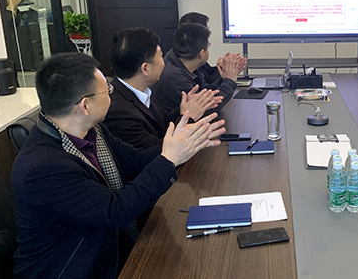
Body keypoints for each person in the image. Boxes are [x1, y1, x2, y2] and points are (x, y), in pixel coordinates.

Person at [12, 52, 225, 279]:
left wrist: (179, 144)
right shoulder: (43, 168)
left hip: (107, 249)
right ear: (85, 106)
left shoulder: (92, 131)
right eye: (107, 90)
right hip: (74, 270)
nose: (111, 95)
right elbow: (115, 210)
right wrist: (168, 159)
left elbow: (135, 161)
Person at [104, 27, 222, 149]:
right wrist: (189, 117)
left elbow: (164, 122)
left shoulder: (143, 90)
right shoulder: (120, 113)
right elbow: (157, 151)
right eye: (160, 56)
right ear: (145, 68)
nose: (164, 62)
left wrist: (184, 110)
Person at [152, 23, 242, 115]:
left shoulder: (183, 62)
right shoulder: (175, 77)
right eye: (208, 46)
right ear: (201, 54)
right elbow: (205, 109)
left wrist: (223, 79)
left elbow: (204, 92)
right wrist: (230, 81)